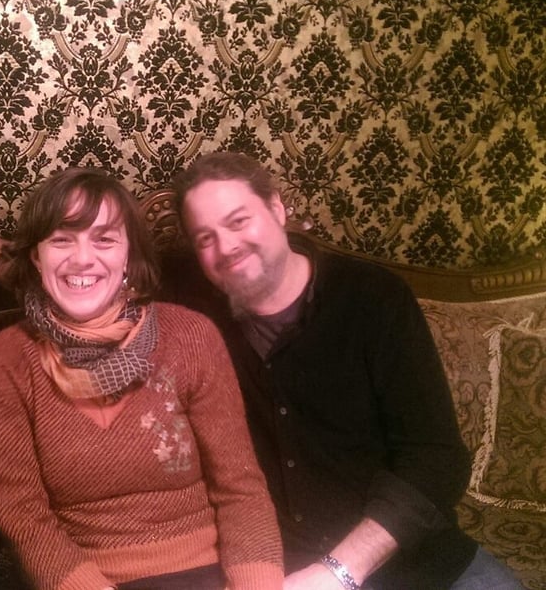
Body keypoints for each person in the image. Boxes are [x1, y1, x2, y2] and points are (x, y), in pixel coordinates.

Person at [172, 152, 524, 590]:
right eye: (205, 238)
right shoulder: (194, 319)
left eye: (239, 221)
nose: (226, 247)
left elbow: (437, 458)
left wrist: (339, 570)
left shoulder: (374, 298)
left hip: (413, 559)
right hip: (286, 570)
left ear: (277, 208)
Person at [0, 167, 284, 590]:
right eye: (61, 240)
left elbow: (240, 488)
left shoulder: (191, 335)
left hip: (211, 574)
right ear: (37, 258)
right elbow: (22, 515)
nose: (82, 258)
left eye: (104, 239)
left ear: (129, 255)